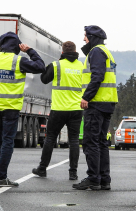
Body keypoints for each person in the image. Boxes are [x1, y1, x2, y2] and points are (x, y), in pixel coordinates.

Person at [0, 32, 45, 187]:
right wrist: (29, 50)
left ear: (1, 44)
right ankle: (2, 177)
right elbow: (40, 66)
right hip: (11, 108)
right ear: (17, 46)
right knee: (7, 141)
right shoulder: (19, 61)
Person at [73, 26, 118, 191]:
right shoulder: (104, 51)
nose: (84, 40)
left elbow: (97, 76)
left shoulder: (96, 52)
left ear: (91, 37)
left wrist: (86, 97)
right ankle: (103, 179)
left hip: (97, 103)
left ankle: (93, 178)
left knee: (91, 142)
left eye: (85, 37)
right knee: (101, 142)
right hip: (107, 102)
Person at [32, 41, 83, 180]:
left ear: (62, 53)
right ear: (75, 51)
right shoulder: (82, 67)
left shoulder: (56, 65)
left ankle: (42, 169)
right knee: (74, 141)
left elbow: (43, 79)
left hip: (59, 109)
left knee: (50, 139)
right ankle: (73, 173)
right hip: (76, 109)